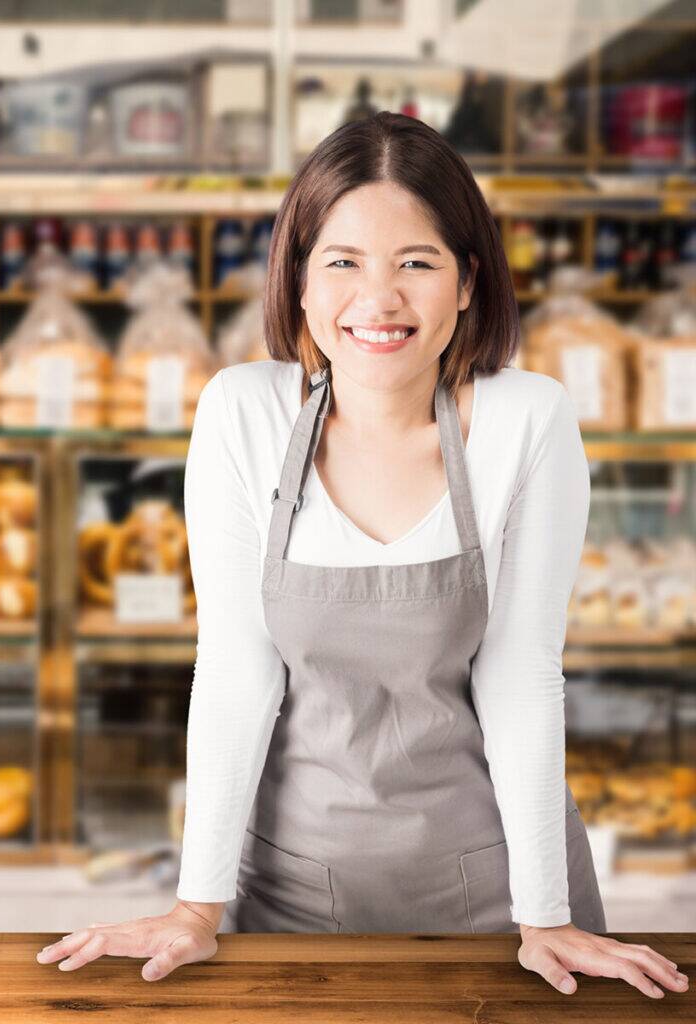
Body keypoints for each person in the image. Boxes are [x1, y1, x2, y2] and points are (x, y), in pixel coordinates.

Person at [35, 113, 689, 1000]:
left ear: (468, 283)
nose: (378, 302)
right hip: (285, 897)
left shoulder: (527, 420)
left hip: (499, 903)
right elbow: (235, 670)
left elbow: (521, 675)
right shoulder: (243, 413)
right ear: (299, 284)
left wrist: (546, 913)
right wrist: (195, 908)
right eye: (343, 263)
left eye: (416, 263)